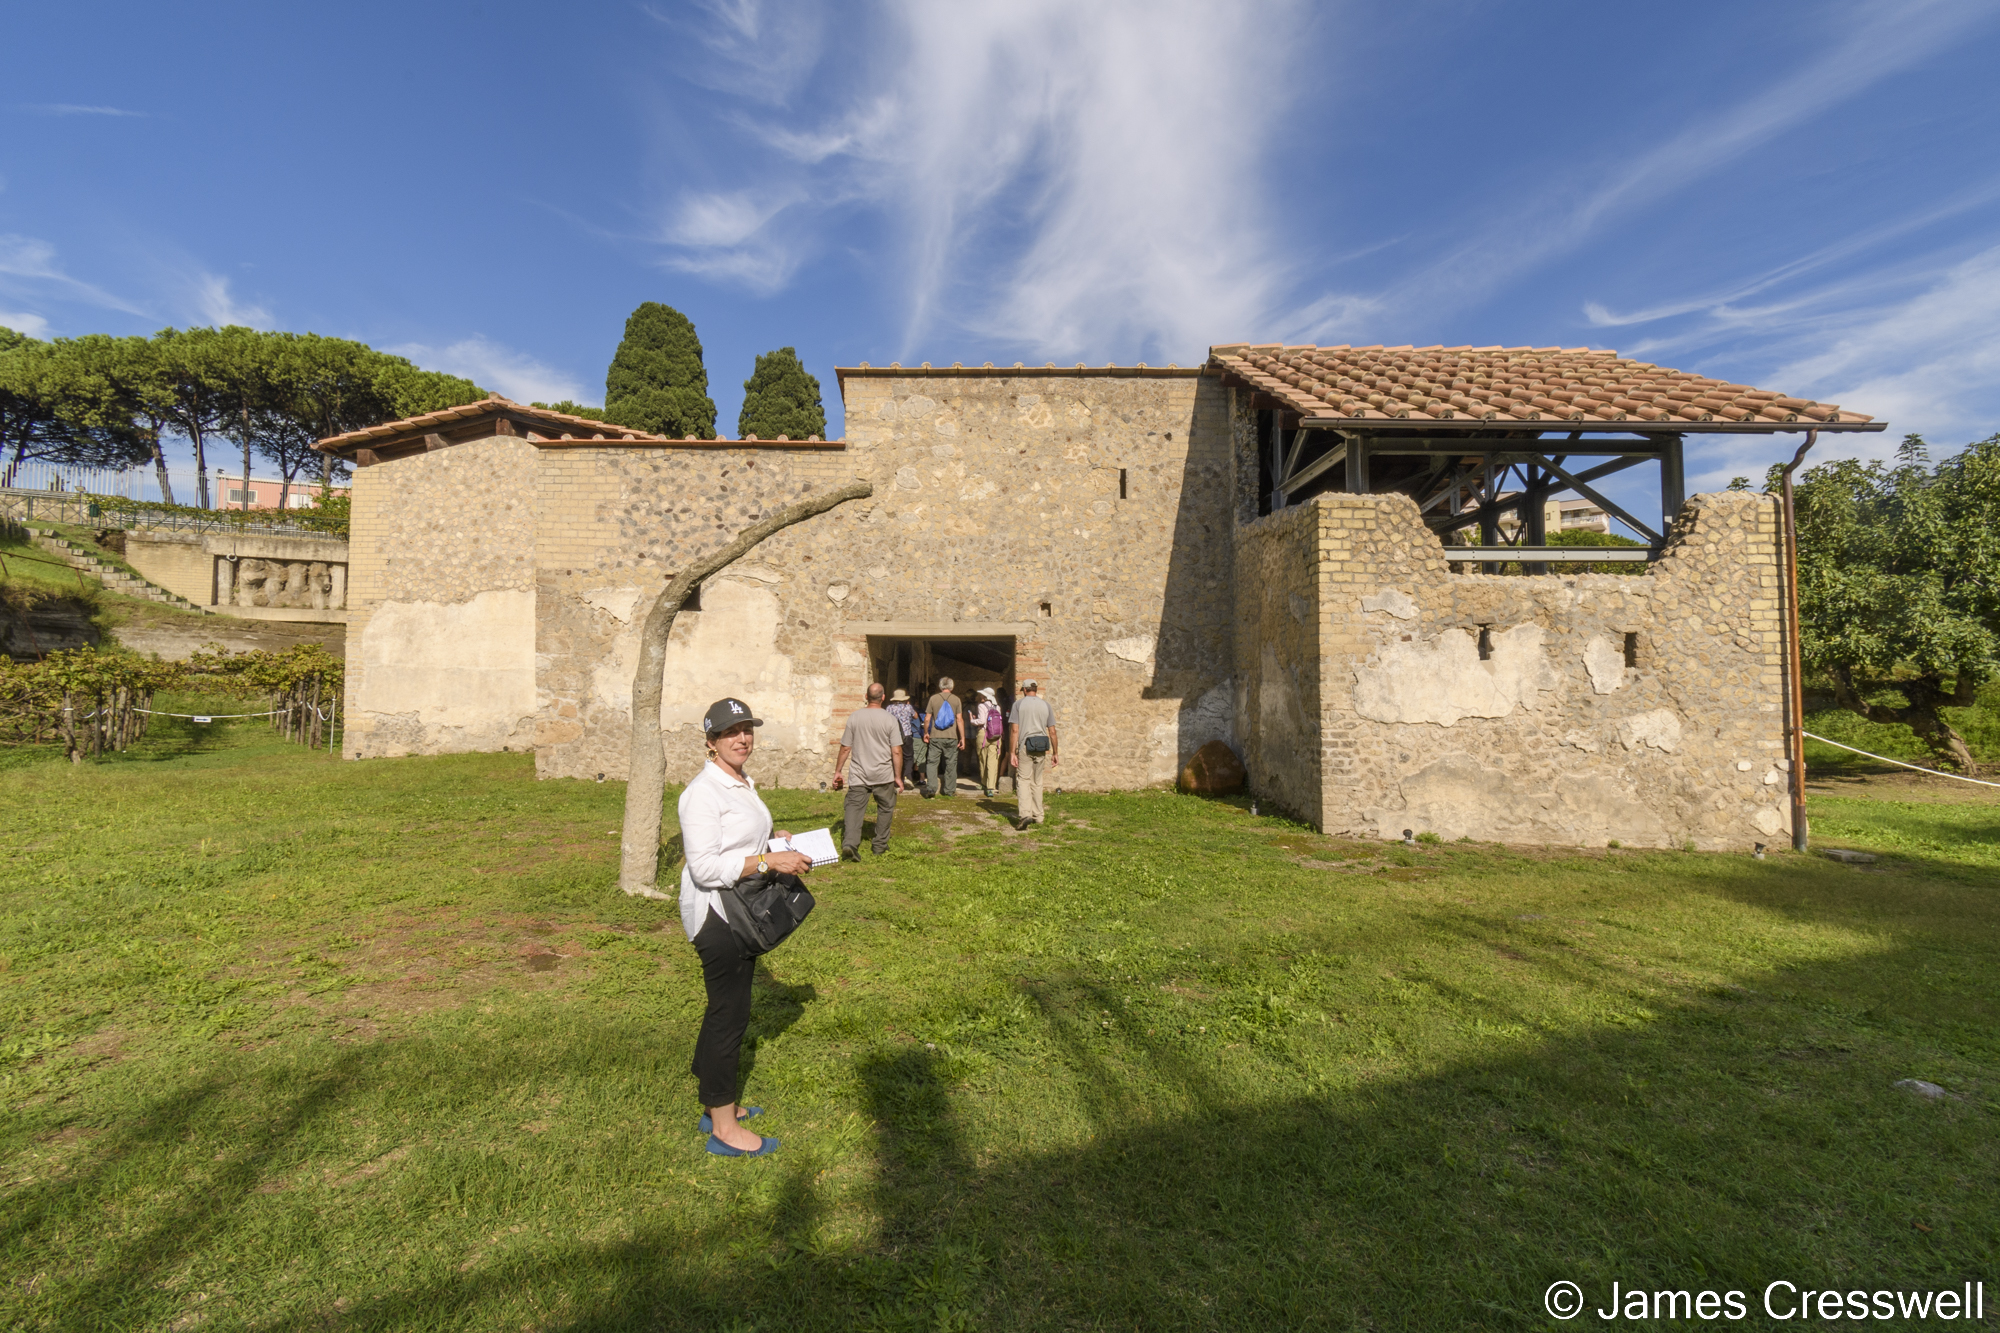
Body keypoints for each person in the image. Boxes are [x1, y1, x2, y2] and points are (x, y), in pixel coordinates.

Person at [677, 697, 814, 1158]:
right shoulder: (702, 792)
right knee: (729, 1017)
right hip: (716, 915)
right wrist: (767, 860)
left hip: (738, 906)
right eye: (731, 732)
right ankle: (723, 1128)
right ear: (711, 741)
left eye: (747, 730)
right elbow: (704, 868)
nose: (742, 739)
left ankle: (716, 1104)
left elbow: (739, 843)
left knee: (726, 1010)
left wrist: (776, 845)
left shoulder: (739, 781)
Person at [832, 682, 906, 859]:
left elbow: (845, 747)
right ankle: (880, 845)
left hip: (859, 773)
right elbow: (896, 750)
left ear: (866, 696)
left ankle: (850, 843)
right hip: (883, 773)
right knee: (886, 808)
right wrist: (898, 776)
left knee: (854, 808)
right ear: (883, 697)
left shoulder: (854, 717)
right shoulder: (890, 719)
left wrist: (838, 771)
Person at [1008, 679, 1059, 828]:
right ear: (1035, 690)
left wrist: (1012, 752)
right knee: (1037, 781)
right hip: (1042, 746)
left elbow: (1015, 730)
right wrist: (1055, 753)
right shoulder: (1046, 705)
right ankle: (1039, 815)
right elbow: (1053, 731)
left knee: (1023, 780)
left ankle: (1025, 814)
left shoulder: (1018, 705)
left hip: (1026, 745)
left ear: (1024, 690)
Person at [921, 675, 966, 798]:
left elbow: (927, 718)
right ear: (952, 686)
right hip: (952, 737)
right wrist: (962, 737)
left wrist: (926, 732)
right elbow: (960, 719)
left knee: (932, 763)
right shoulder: (956, 700)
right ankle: (949, 790)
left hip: (935, 736)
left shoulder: (933, 699)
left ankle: (931, 788)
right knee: (951, 763)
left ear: (940, 686)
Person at [971, 686, 1005, 797]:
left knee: (982, 759)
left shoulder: (981, 706)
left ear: (985, 696)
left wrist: (972, 720)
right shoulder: (997, 707)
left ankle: (984, 783)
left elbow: (981, 721)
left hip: (984, 734)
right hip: (996, 736)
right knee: (993, 760)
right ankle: (991, 787)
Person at [885, 688, 920, 787]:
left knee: (893, 756)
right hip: (907, 735)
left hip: (893, 736)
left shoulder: (889, 708)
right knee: (908, 757)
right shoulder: (908, 707)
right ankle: (907, 777)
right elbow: (916, 716)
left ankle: (895, 777)